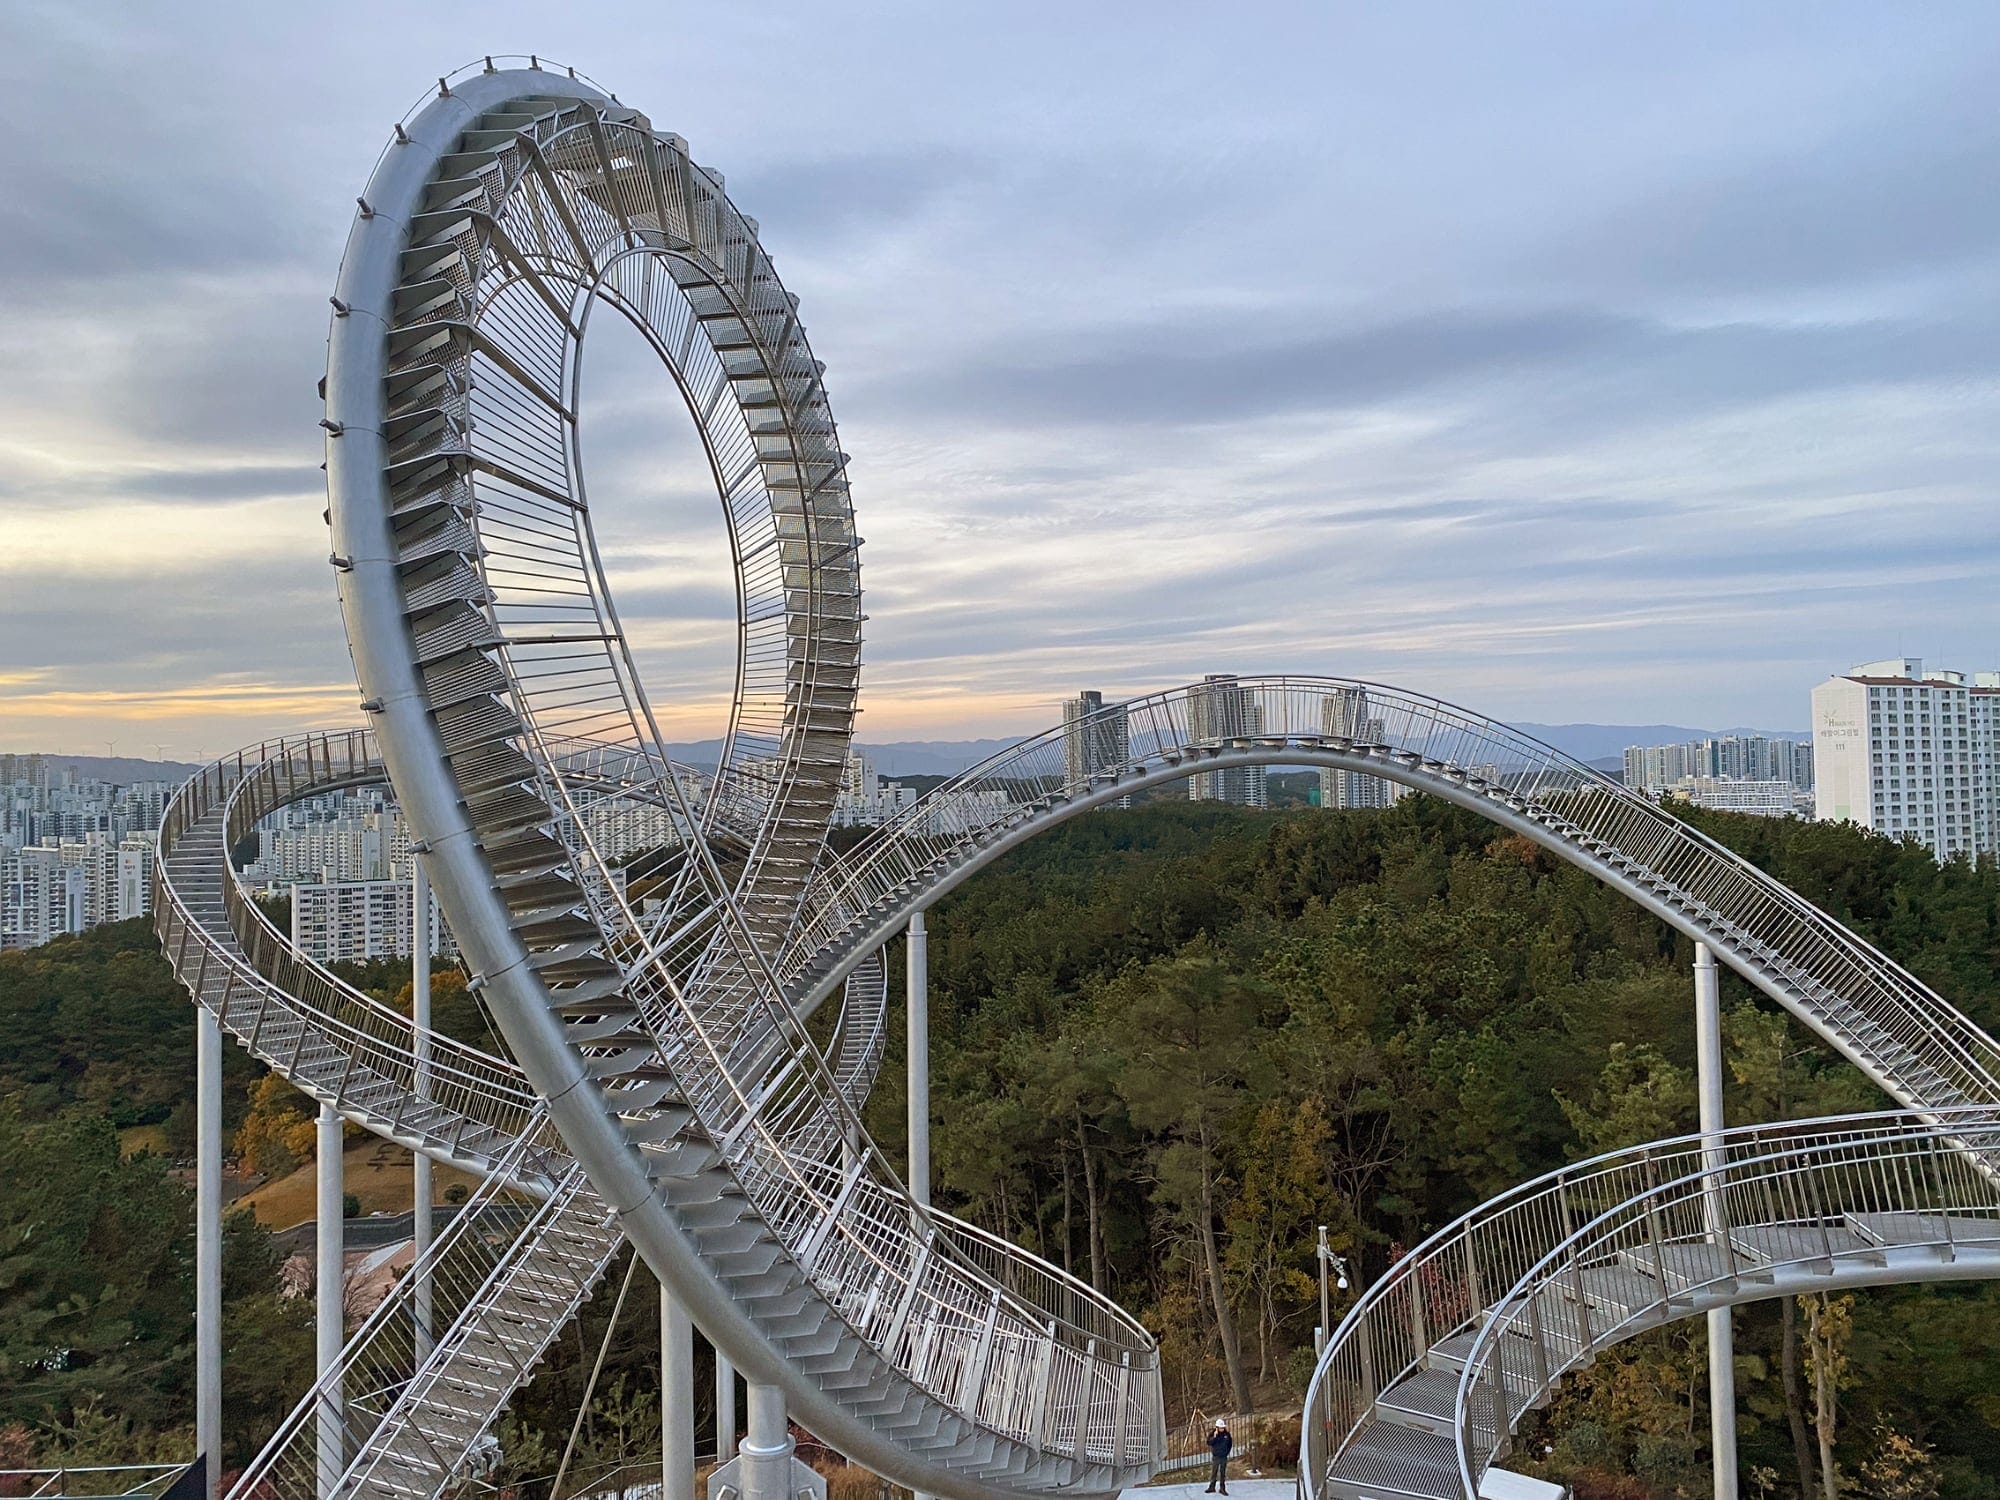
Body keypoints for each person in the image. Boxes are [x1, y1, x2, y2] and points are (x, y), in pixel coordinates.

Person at [1205, 1417, 1233, 1494]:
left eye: (1223, 1428)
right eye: (1220, 1428)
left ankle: (1222, 1488)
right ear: (1217, 1428)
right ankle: (1212, 1487)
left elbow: (1230, 1444)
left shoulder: (1227, 1434)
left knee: (1222, 1473)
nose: (1222, 1429)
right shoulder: (1213, 1434)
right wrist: (1214, 1437)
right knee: (1214, 1472)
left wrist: (1227, 1452)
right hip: (1216, 1456)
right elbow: (1209, 1442)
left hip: (1223, 1456)